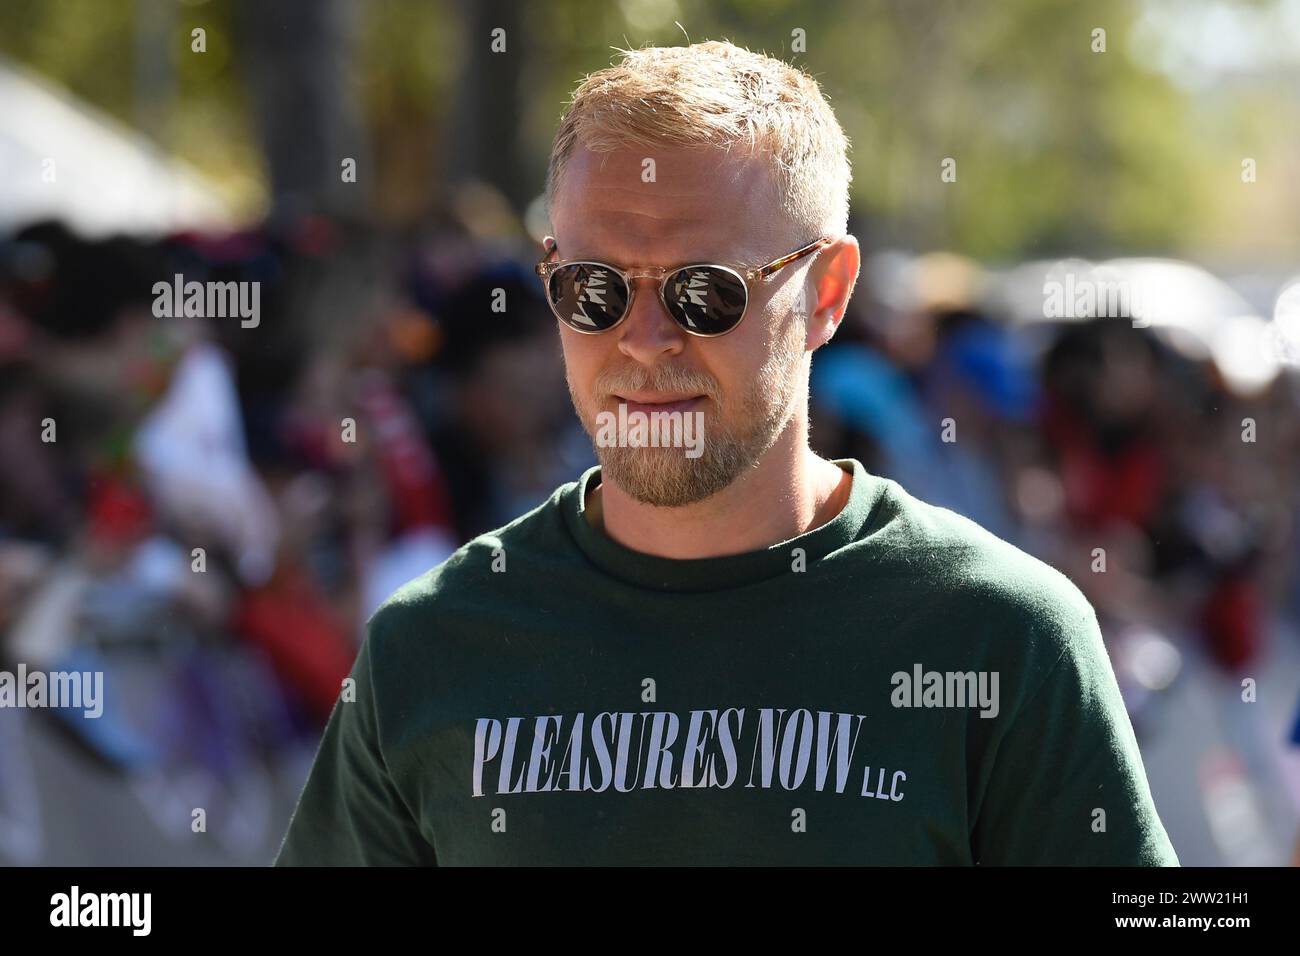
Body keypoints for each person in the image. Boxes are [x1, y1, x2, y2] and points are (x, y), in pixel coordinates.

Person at [275, 40, 1178, 866]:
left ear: (826, 294)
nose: (643, 340)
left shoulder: (1002, 637)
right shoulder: (427, 650)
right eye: (594, 290)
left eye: (704, 292)